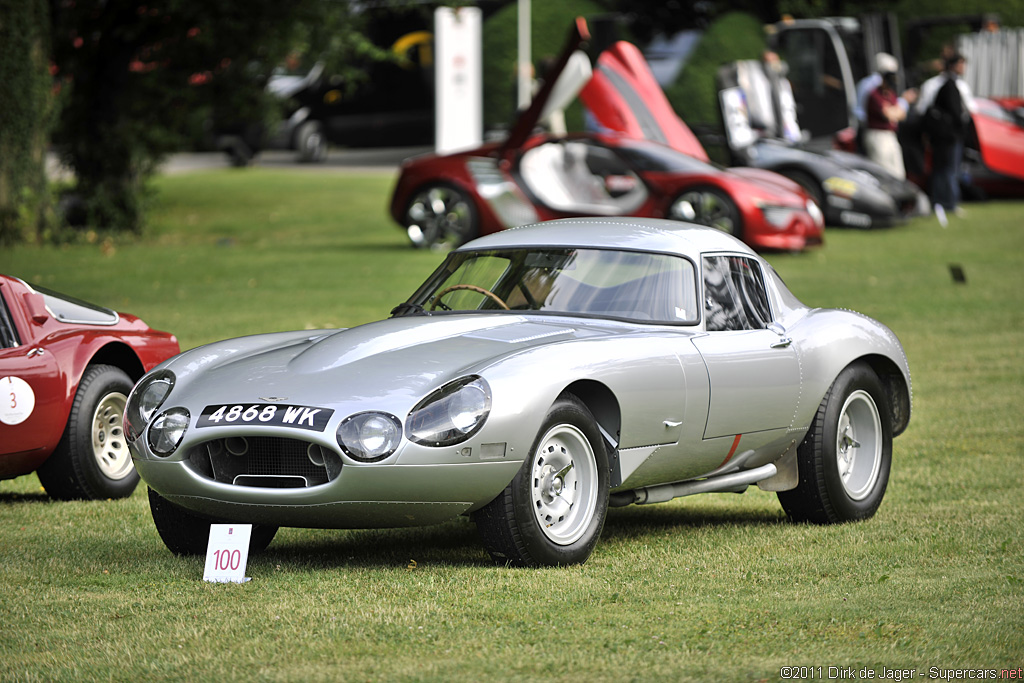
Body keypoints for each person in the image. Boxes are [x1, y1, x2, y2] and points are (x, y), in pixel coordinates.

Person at [916, 52, 974, 218]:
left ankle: (941, 201)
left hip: (944, 135)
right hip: (947, 135)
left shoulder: (955, 84)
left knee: (944, 169)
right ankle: (947, 203)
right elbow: (925, 110)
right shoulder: (941, 85)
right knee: (946, 169)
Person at [863, 67, 907, 178]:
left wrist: (893, 111)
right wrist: (893, 112)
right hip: (878, 135)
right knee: (883, 171)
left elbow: (902, 114)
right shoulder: (874, 94)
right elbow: (887, 115)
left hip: (890, 135)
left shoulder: (890, 94)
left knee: (898, 172)